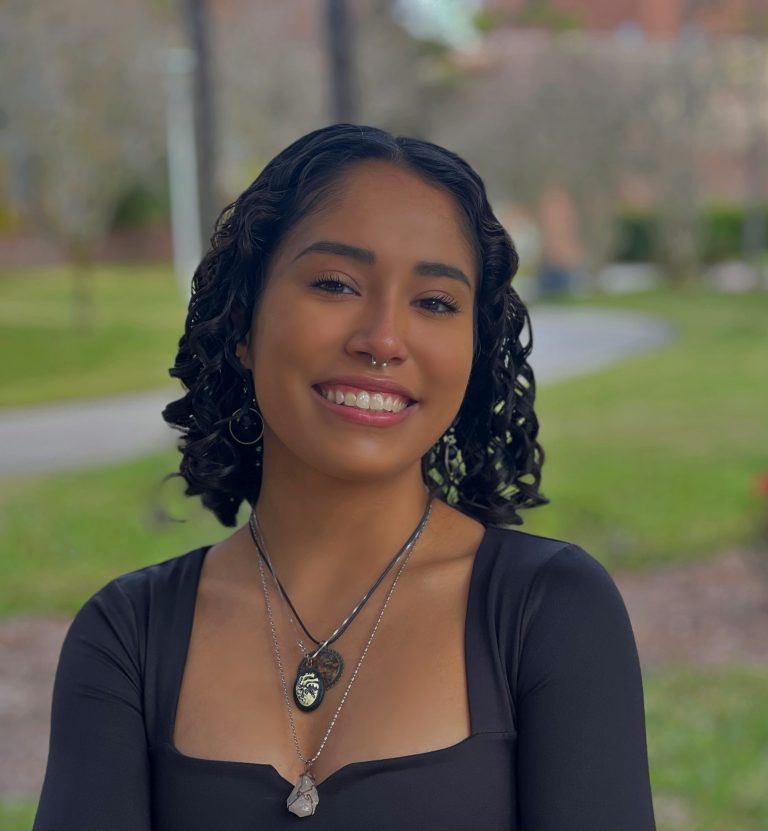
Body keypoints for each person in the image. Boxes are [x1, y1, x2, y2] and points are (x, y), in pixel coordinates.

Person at [33, 123, 656, 829]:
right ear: (244, 321)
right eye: (335, 283)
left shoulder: (547, 612)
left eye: (435, 302)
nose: (383, 338)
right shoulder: (127, 637)